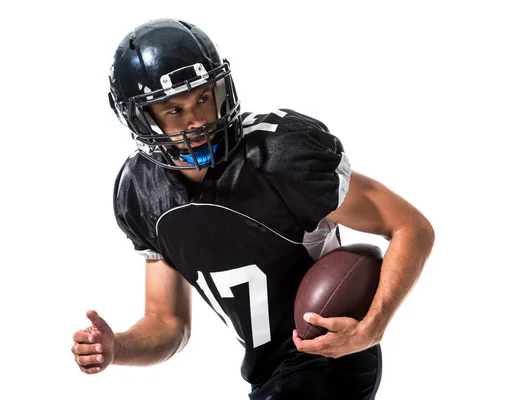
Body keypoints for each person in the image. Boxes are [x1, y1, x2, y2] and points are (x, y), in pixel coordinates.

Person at [71, 18, 435, 399]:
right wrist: (117, 349)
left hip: (330, 362)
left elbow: (410, 227)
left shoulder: (279, 155)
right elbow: (168, 322)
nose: (197, 121)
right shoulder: (140, 192)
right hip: (267, 374)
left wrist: (373, 325)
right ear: (141, 118)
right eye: (174, 110)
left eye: (202, 97)